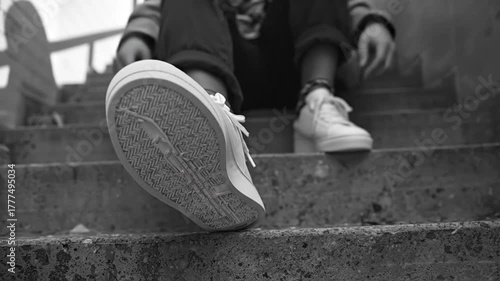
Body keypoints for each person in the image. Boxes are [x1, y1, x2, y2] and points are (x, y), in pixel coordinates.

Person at [107, 0, 396, 231]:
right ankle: (211, 116)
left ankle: (317, 100)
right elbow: (158, 6)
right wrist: (138, 34)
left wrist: (370, 20)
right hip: (221, 60)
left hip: (295, 58)